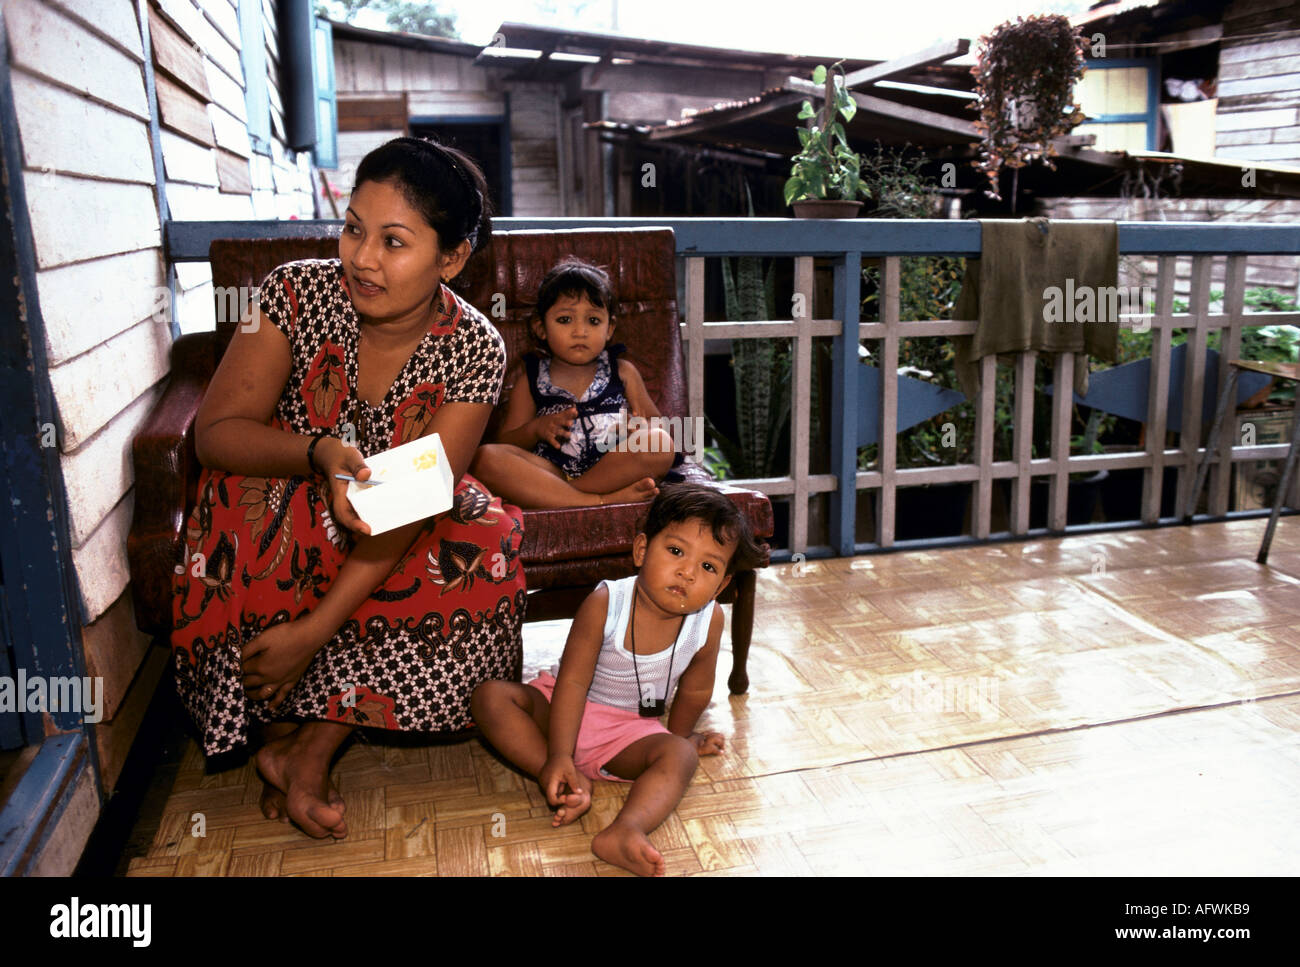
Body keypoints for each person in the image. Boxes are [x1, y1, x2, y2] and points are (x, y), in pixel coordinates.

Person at [172, 136, 526, 840]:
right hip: (280, 494)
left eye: (394, 241)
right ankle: (290, 734)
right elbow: (214, 432)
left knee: (483, 540)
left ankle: (312, 745)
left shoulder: (477, 347)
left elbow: (415, 499)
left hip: (395, 521)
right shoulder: (288, 293)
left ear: (451, 258)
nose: (362, 258)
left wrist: (314, 630)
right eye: (354, 227)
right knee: (259, 513)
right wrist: (320, 450)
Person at [471, 483, 766, 876]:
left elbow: (695, 689)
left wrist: (678, 738)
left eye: (708, 567)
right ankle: (561, 775)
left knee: (680, 757)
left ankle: (625, 830)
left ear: (723, 583)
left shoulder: (709, 620)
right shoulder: (606, 603)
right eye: (676, 551)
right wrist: (560, 754)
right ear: (642, 550)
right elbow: (573, 684)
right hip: (562, 708)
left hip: (627, 733)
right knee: (490, 698)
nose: (687, 572)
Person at [468, 259, 678, 508]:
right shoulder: (531, 380)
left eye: (593, 321)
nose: (580, 331)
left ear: (609, 329)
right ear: (541, 327)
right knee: (485, 457)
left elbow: (655, 422)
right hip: (552, 469)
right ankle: (599, 500)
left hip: (613, 466)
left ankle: (562, 495)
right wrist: (536, 429)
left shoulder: (623, 372)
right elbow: (507, 442)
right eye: (565, 320)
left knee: (661, 442)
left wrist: (639, 426)